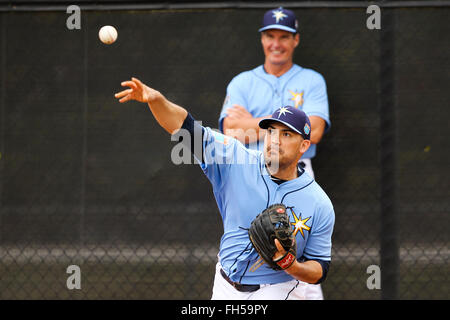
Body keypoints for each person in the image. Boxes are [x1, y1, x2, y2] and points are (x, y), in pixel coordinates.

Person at [115, 77, 335, 300]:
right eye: (271, 131)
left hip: (277, 289)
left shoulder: (318, 203)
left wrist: (291, 265)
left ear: (304, 146)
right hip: (225, 285)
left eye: (286, 134)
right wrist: (158, 101)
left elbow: (319, 269)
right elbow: (187, 128)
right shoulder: (235, 160)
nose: (275, 139)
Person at [219, 7, 330, 299]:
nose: (276, 43)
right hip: (252, 173)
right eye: (270, 36)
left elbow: (315, 131)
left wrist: (253, 121)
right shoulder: (243, 82)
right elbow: (230, 130)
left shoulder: (312, 80)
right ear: (262, 39)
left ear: (296, 40)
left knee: (297, 259)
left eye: (284, 36)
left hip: (298, 175)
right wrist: (290, 124)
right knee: (250, 246)